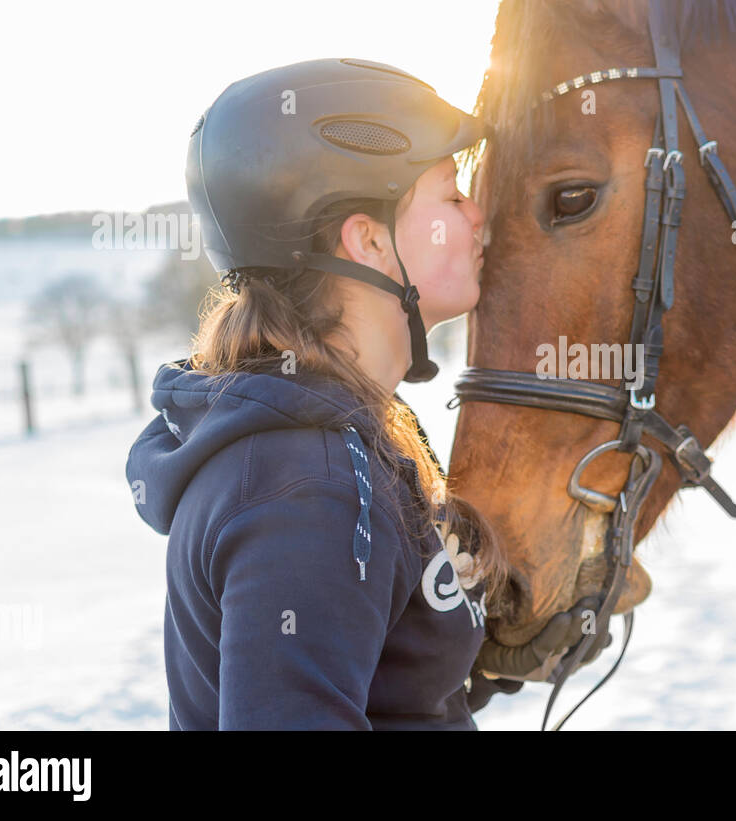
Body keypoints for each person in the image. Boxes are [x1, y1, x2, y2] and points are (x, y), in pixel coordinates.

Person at [125, 58, 606, 730]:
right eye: (452, 195)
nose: (479, 217)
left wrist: (486, 666)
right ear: (370, 240)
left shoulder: (344, 437)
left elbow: (371, 692)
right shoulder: (308, 487)